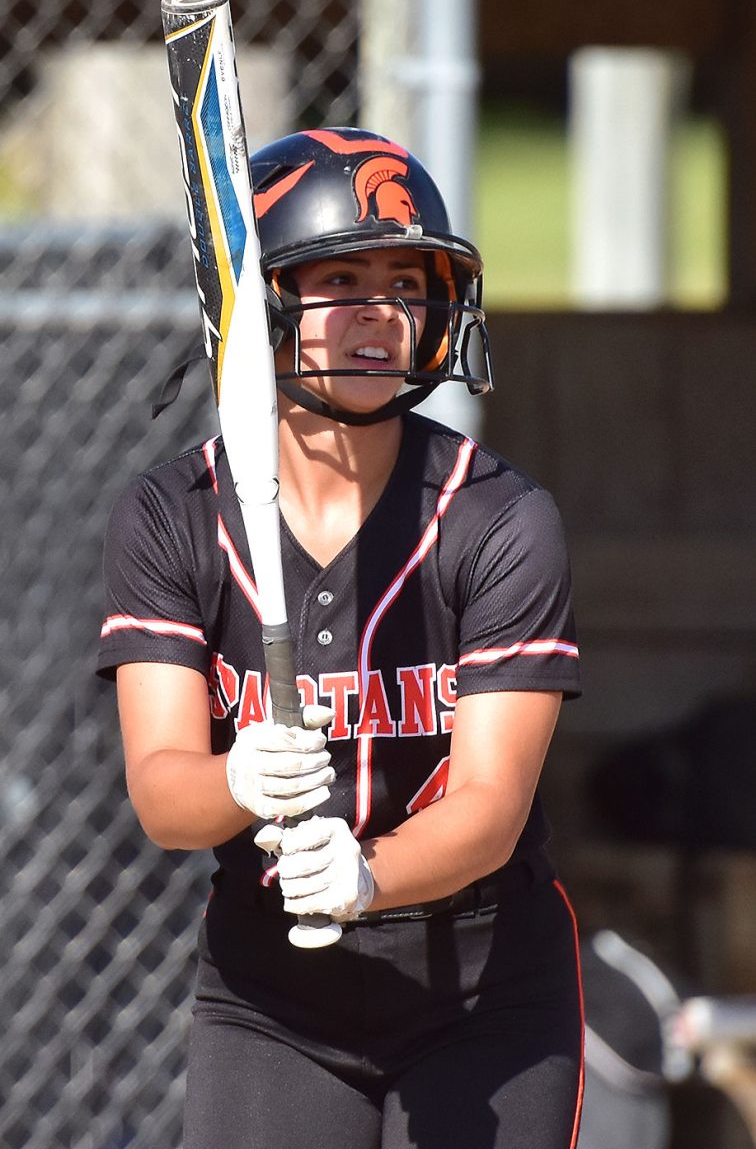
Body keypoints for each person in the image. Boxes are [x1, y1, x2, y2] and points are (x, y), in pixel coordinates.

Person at [98, 127, 584, 1149]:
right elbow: (162, 794)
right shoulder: (176, 513)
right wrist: (233, 782)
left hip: (484, 993)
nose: (381, 313)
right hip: (274, 1000)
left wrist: (369, 878)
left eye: (407, 282)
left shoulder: (497, 519)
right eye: (342, 279)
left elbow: (492, 806)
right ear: (263, 306)